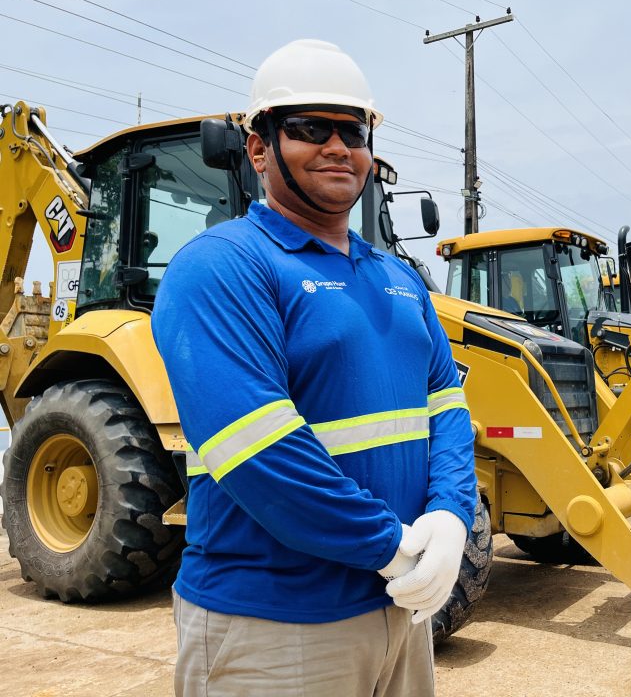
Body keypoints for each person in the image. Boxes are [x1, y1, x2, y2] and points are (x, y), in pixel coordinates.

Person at [152, 39, 476, 697]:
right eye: (308, 128)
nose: (337, 147)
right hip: (276, 626)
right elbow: (258, 449)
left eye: (352, 131)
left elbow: (448, 406)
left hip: (400, 615)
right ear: (259, 147)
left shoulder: (398, 279)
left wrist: (450, 516)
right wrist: (392, 546)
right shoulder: (222, 267)